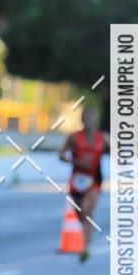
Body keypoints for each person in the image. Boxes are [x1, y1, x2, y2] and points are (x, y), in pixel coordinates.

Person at [58, 105, 110, 262]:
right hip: (76, 180)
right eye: (85, 117)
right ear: (81, 120)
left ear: (95, 120)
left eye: (91, 117)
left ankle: (85, 247)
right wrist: (76, 161)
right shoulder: (74, 138)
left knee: (87, 212)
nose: (88, 121)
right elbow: (61, 155)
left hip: (94, 180)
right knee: (80, 213)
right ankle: (86, 237)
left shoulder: (103, 138)